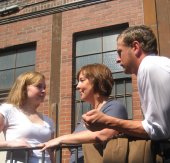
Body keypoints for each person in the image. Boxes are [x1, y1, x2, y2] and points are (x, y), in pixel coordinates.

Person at [82, 25, 170, 141]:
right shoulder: (155, 65)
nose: (118, 59)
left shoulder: (149, 66)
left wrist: (107, 121)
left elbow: (159, 130)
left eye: (120, 52)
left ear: (135, 47)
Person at [40, 63, 128, 163]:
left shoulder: (114, 106)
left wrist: (60, 139)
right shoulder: (88, 115)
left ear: (96, 80)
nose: (77, 86)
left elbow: (104, 135)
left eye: (82, 80)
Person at [0, 71, 55, 163]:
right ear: (24, 88)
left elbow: (50, 152)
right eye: (39, 86)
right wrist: (10, 144)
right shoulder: (8, 110)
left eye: (44, 87)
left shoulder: (48, 121)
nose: (44, 90)